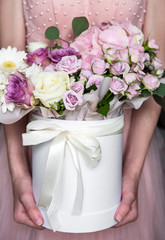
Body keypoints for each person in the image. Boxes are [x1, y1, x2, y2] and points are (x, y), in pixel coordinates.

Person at [0, 0, 165, 239]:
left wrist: (132, 173)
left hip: (126, 148)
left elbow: (157, 73)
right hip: (34, 148)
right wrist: (18, 174)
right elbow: (8, 70)